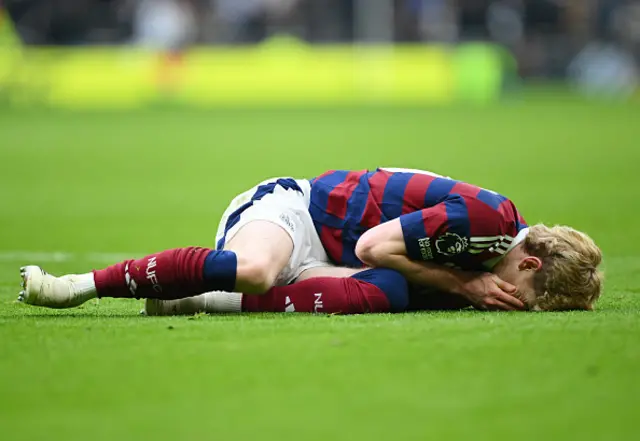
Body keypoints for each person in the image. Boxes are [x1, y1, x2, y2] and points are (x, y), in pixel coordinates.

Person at [17, 168, 603, 314]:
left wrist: (458, 287)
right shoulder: (487, 221)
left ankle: (189, 298)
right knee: (254, 273)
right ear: (527, 259)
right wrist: (462, 282)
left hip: (333, 256)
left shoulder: (489, 252)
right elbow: (373, 247)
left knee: (391, 296)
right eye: (523, 292)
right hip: (295, 212)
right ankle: (77, 287)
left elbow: (382, 271)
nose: (509, 299)